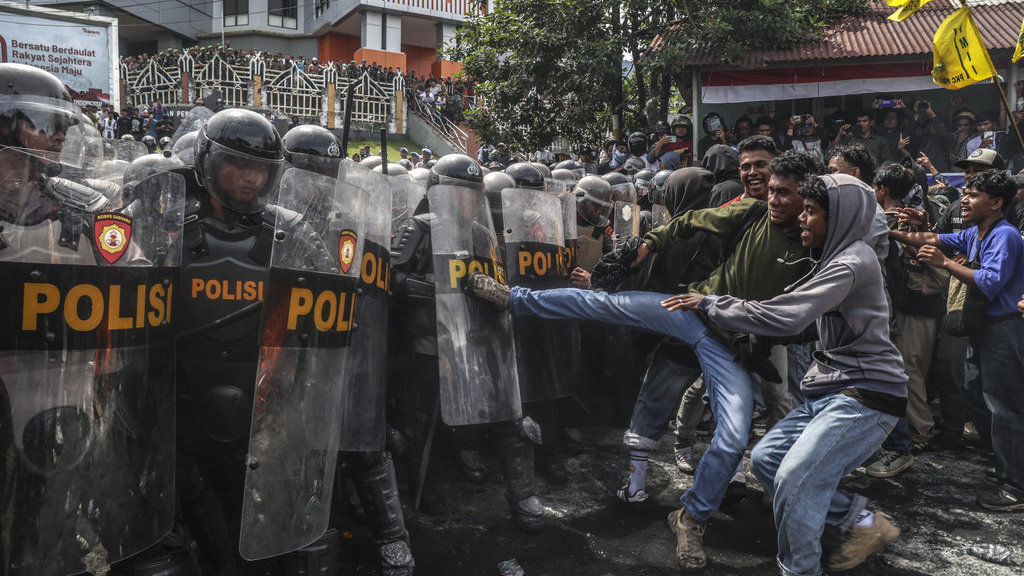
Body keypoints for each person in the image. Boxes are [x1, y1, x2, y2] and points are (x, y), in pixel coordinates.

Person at [461, 148, 818, 571]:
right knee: (600, 304)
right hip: (688, 309)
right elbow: (686, 223)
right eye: (771, 190)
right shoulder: (752, 212)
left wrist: (762, 336)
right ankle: (514, 299)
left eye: (785, 193)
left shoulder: (819, 248)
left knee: (734, 435)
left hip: (731, 345)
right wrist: (645, 245)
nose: (774, 199)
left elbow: (805, 315)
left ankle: (691, 518)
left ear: (810, 201)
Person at [665, 173, 907, 576]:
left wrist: (711, 303)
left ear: (841, 218)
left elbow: (786, 313)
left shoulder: (849, 263)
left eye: (811, 212)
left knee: (796, 478)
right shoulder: (833, 257)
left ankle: (799, 570)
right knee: (767, 460)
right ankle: (864, 523)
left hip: (867, 394)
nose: (801, 220)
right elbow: (800, 319)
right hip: (833, 389)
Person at [891, 169, 1024, 512]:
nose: (964, 199)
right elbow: (932, 240)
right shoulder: (976, 233)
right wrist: (889, 230)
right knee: (974, 392)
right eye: (965, 191)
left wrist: (945, 264)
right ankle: (1005, 464)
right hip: (983, 328)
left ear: (996, 203)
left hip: (1003, 329)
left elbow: (990, 283)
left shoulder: (1004, 235)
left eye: (974, 194)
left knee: (1004, 406)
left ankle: (1015, 488)